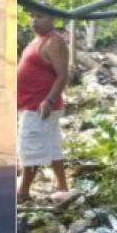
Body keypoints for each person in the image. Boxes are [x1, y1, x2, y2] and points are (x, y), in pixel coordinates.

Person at [17, 11, 70, 203]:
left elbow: (63, 74)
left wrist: (48, 100)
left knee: (30, 149)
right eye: (32, 16)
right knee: (51, 145)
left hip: (40, 105)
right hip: (31, 103)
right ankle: (62, 187)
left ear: (52, 19)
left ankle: (23, 192)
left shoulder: (54, 41)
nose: (34, 20)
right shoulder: (38, 40)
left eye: (39, 16)